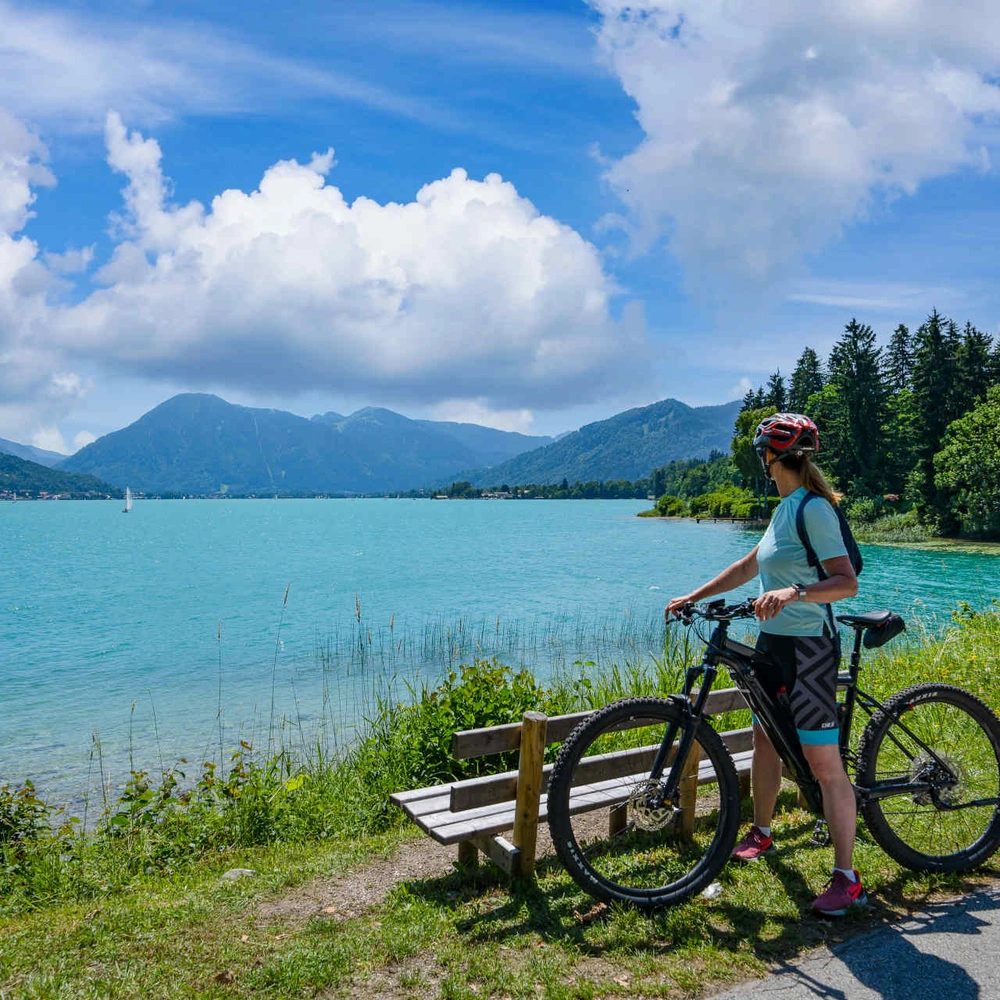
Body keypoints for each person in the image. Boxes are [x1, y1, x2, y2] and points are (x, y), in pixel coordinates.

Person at [665, 413, 865, 917]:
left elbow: (845, 583)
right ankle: (763, 831)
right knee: (765, 740)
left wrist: (795, 591)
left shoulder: (814, 510)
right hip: (774, 645)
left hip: (810, 649)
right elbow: (747, 567)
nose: (761, 460)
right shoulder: (783, 511)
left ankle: (846, 876)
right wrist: (693, 594)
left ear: (772, 457)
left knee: (823, 765)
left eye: (762, 453)